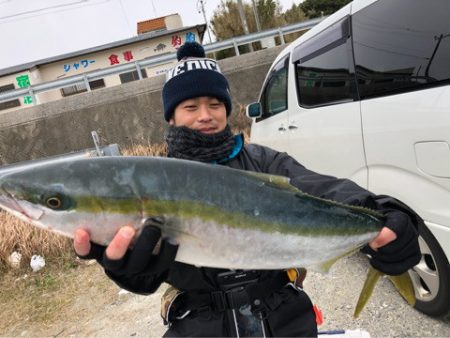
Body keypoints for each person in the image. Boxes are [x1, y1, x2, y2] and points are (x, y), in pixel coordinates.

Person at [74, 42, 422, 337]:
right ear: (171, 116)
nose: (205, 115)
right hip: (199, 325)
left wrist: (382, 211)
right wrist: (129, 273)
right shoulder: (153, 183)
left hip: (285, 318)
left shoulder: (263, 162)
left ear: (227, 108)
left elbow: (322, 191)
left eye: (214, 104)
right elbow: (143, 270)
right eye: (190, 107)